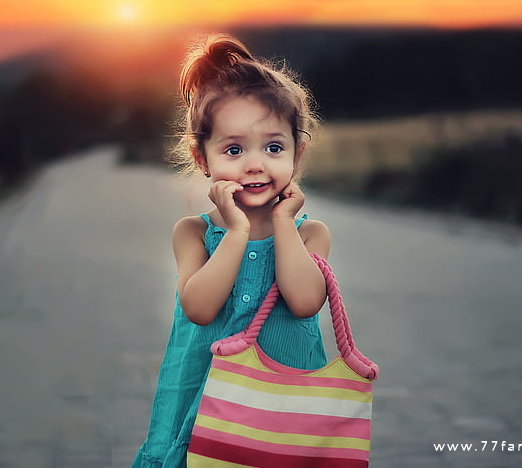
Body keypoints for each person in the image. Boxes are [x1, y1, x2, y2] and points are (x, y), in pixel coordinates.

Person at [131, 33, 331, 468]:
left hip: (280, 414)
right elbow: (200, 308)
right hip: (201, 411)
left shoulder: (310, 234)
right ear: (201, 157)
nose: (255, 164)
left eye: (274, 147)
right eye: (234, 149)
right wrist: (236, 232)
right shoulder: (192, 234)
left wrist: (282, 224)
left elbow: (304, 301)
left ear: (297, 153)